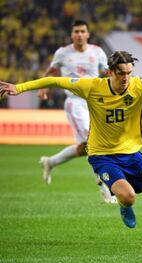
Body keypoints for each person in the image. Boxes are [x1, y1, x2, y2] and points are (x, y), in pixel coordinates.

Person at [0, 50, 142, 246]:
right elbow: (55, 80)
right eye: (121, 73)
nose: (126, 78)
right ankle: (124, 205)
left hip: (132, 153)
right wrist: (19, 88)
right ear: (110, 71)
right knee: (128, 196)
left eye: (129, 73)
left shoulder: (138, 86)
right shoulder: (92, 86)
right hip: (102, 156)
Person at [37, 19, 115, 203]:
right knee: (94, 142)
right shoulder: (63, 53)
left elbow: (107, 73)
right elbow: (52, 70)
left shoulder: (97, 52)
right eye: (76, 31)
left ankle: (51, 162)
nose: (79, 34)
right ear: (72, 35)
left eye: (82, 31)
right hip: (75, 103)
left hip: (95, 102)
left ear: (88, 34)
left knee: (84, 148)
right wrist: (43, 87)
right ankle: (106, 189)